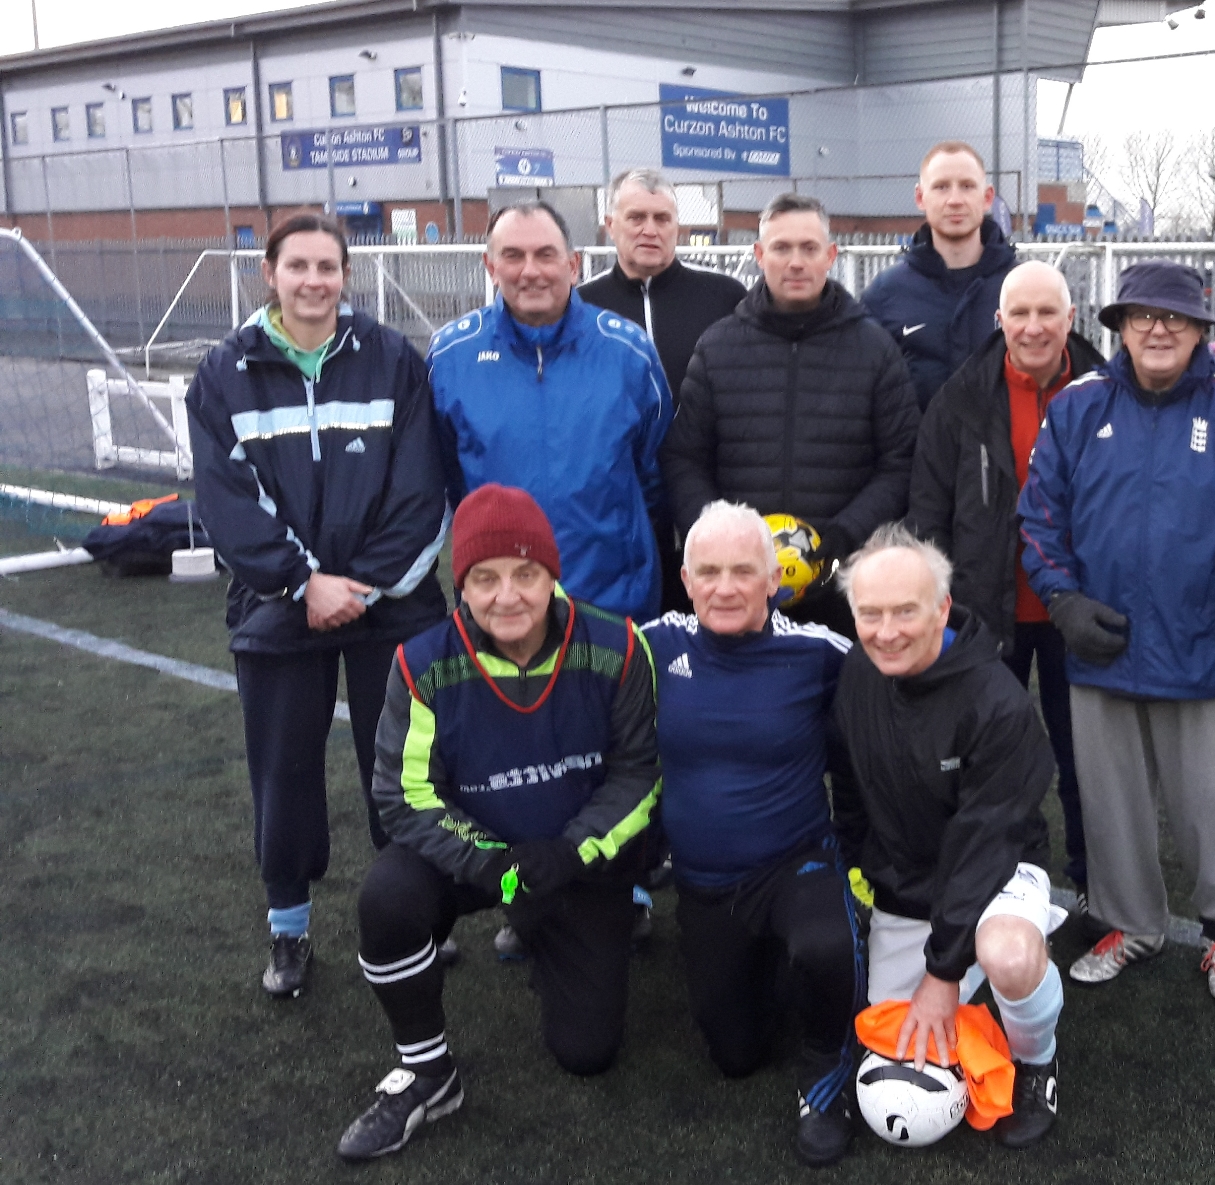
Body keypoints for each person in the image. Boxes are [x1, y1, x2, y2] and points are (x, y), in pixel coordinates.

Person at [337, 484, 661, 1160]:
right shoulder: (422, 662)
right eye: (484, 578)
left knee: (587, 1051)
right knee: (389, 897)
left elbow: (641, 774)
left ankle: (545, 929)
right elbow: (402, 792)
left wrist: (570, 853)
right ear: (463, 584)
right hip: (485, 868)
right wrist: (494, 863)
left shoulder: (620, 648)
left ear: (551, 575)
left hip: (565, 866)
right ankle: (428, 1071)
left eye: (525, 574)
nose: (506, 595)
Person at [187, 211, 449, 1000]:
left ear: (346, 273)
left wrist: (360, 582)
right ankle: (290, 927)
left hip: (390, 601)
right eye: (297, 266)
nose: (313, 281)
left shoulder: (393, 359)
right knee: (283, 771)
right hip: (280, 607)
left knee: (405, 766)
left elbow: (420, 486)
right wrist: (305, 584)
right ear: (269, 273)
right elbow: (225, 500)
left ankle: (415, 915)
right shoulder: (224, 372)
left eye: (327, 267)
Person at [1019, 261, 1215, 1006]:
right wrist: (1064, 601)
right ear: (1119, 327)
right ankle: (1132, 922)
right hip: (1101, 647)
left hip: (1208, 648)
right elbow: (1039, 519)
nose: (1158, 327)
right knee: (1113, 803)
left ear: (1202, 328)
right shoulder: (1077, 405)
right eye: (1142, 315)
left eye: (1174, 317)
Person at [639, 501, 865, 1168]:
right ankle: (766, 971)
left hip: (795, 862)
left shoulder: (816, 653)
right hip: (704, 881)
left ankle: (827, 1078)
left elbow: (893, 697)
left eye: (745, 570)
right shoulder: (654, 644)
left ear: (776, 579)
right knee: (734, 1055)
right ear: (685, 577)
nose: (726, 586)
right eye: (709, 571)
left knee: (825, 946)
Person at [832, 523, 1066, 1149]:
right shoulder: (856, 674)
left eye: (905, 611)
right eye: (870, 614)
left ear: (941, 608)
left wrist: (942, 972)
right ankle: (973, 994)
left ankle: (1037, 1060)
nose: (887, 631)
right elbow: (851, 787)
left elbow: (986, 842)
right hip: (909, 884)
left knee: (1007, 955)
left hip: (998, 871)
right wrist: (861, 872)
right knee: (890, 1040)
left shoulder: (997, 702)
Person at [907, 260, 1106, 902]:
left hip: (1080, 612)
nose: (1033, 326)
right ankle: (1000, 874)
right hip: (986, 612)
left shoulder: (1107, 389)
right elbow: (929, 507)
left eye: (1047, 312)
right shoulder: (963, 396)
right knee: (990, 757)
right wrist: (940, 604)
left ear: (1071, 319)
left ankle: (1094, 882)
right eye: (1018, 313)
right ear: (999, 321)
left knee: (1085, 758)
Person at [661, 192, 919, 639]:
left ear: (831, 256)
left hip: (844, 584)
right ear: (759, 255)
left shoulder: (875, 350)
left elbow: (900, 461)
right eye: (781, 248)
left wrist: (841, 537)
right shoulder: (718, 346)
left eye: (809, 248)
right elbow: (684, 458)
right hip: (739, 588)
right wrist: (721, 537)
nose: (795, 262)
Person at [429, 199, 671, 624]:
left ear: (573, 265)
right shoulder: (451, 357)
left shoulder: (628, 353)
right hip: (499, 607)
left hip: (612, 603)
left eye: (545, 255)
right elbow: (446, 476)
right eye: (513, 256)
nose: (530, 271)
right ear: (490, 266)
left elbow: (653, 471)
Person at [580, 168, 749, 616]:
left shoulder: (726, 296)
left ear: (678, 226)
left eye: (663, 218)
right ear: (610, 224)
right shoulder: (581, 307)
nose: (650, 230)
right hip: (623, 505)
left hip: (714, 491)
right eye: (636, 217)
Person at [861, 141, 1019, 411]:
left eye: (967, 186)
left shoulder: (1021, 286)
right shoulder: (885, 293)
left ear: (987, 197)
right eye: (941, 186)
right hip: (915, 453)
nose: (955, 200)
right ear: (920, 197)